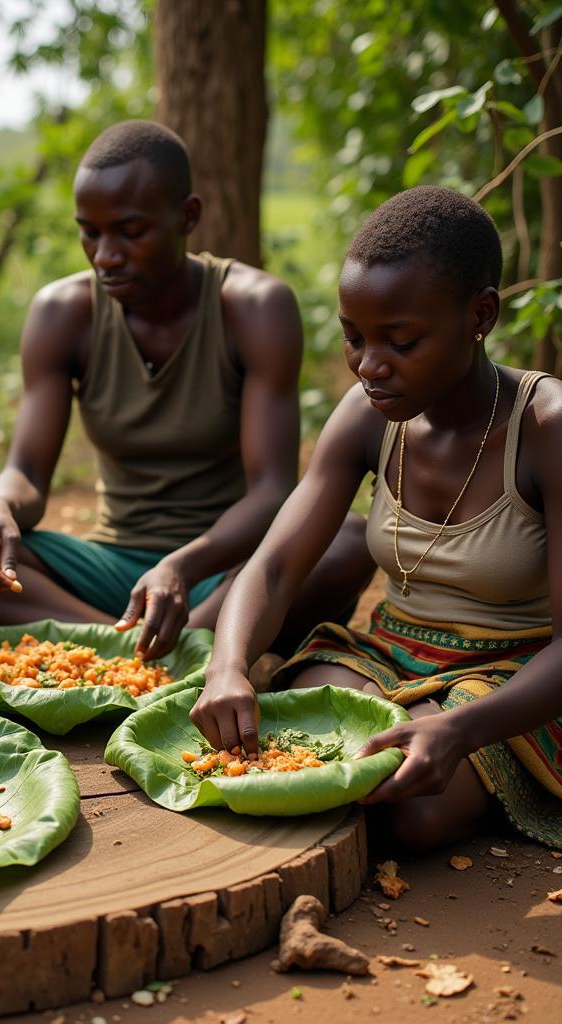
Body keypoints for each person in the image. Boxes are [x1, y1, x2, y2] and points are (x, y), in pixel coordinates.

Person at [0, 120, 372, 661]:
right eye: (90, 232)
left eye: (131, 232)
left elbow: (271, 490)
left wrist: (183, 565)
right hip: (110, 572)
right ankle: (147, 655)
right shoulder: (64, 314)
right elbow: (29, 475)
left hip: (224, 571)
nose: (106, 255)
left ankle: (134, 651)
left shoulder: (252, 308)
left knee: (346, 540)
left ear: (188, 217)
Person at [191, 185, 562, 851]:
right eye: (353, 338)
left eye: (401, 340)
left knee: (408, 810)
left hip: (516, 678)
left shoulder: (545, 428)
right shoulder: (368, 415)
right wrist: (228, 663)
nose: (368, 366)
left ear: (481, 314)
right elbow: (274, 567)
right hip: (387, 656)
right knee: (295, 748)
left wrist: (458, 728)